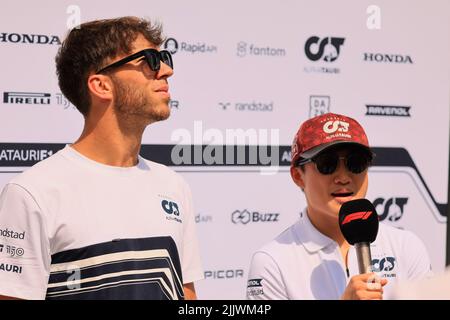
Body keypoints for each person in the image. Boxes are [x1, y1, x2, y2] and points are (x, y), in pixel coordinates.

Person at [0, 16, 203, 300]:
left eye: (164, 58)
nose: (166, 70)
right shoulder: (33, 193)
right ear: (101, 85)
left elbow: (185, 295)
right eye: (150, 60)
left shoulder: (173, 186)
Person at [246, 112, 432, 300]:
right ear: (298, 176)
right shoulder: (272, 262)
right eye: (327, 164)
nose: (343, 178)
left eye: (355, 163)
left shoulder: (405, 246)